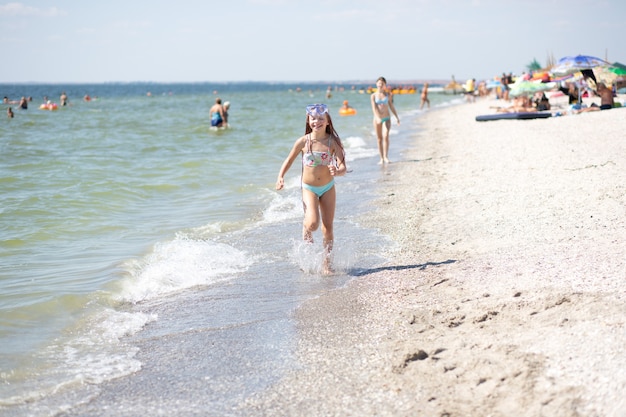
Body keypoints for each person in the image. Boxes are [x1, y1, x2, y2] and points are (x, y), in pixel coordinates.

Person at [275, 103, 347, 275]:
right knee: (313, 224)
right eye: (313, 118)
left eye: (321, 118)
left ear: (328, 121)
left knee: (327, 227)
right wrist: (280, 176)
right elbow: (289, 160)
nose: (317, 121)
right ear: (308, 120)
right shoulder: (303, 142)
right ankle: (306, 227)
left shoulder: (333, 142)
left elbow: (343, 166)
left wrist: (337, 171)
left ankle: (326, 264)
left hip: (328, 187)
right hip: (309, 188)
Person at [370, 76, 400, 164]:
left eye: (382, 83)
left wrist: (397, 117)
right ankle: (381, 158)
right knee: (379, 139)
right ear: (376, 84)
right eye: (379, 83)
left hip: (387, 118)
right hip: (377, 119)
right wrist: (378, 117)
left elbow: (391, 106)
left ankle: (386, 157)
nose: (380, 84)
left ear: (385, 85)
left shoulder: (388, 95)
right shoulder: (373, 96)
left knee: (386, 135)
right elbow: (374, 108)